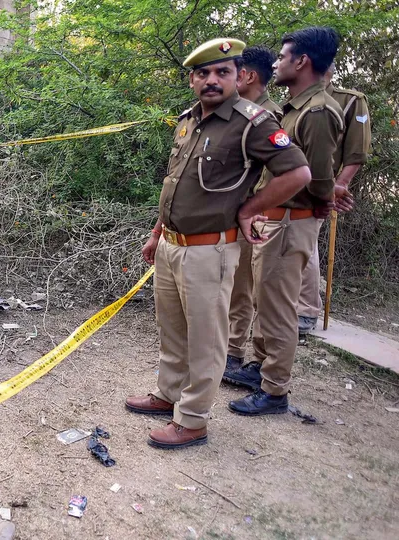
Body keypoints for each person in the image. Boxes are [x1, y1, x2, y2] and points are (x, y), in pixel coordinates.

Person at [125, 38, 311, 449]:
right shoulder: (189, 120)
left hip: (211, 250)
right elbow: (174, 183)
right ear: (193, 79)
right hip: (173, 246)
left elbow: (297, 174)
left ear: (238, 76)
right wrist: (158, 233)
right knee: (171, 329)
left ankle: (192, 420)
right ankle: (167, 394)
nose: (212, 80)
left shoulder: (253, 122)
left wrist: (250, 209)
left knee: (207, 337)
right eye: (203, 73)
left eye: (222, 72)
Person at [224, 27, 344, 415]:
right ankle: (260, 368)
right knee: (265, 298)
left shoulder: (318, 112)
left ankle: (275, 390)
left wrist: (324, 200)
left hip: (292, 220)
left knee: (278, 308)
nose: (276, 63)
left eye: (283, 56)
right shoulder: (295, 108)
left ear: (302, 61)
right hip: (275, 219)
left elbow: (320, 173)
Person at [296, 62, 371, 336]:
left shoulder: (350, 101)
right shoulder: (296, 99)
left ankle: (306, 311)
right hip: (291, 184)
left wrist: (338, 186)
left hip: (321, 185)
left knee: (307, 245)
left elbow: (357, 152)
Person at [225, 45, 284, 373]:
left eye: (231, 71)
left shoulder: (267, 115)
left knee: (247, 287)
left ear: (246, 75)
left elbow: (279, 172)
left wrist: (254, 208)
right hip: (234, 212)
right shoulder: (237, 109)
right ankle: (231, 348)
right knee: (235, 285)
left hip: (253, 215)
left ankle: (236, 353)